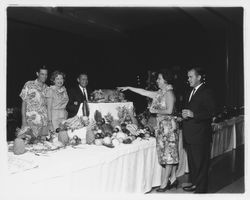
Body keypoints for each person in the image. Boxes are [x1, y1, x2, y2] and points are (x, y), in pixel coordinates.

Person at [118, 69, 179, 192]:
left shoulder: (169, 93)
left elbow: (170, 110)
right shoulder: (160, 93)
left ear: (165, 80)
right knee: (166, 154)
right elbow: (144, 92)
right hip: (162, 126)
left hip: (168, 127)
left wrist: (154, 111)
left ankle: (164, 183)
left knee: (168, 156)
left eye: (159, 78)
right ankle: (173, 179)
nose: (157, 80)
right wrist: (129, 87)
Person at [182, 67, 215, 193]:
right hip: (190, 134)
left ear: (199, 77)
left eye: (190, 76)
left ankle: (201, 190)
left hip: (201, 135)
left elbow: (211, 112)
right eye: (188, 77)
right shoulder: (190, 91)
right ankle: (195, 183)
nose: (188, 79)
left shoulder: (206, 91)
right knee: (193, 163)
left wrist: (193, 114)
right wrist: (184, 115)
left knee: (201, 163)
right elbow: (190, 110)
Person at [19, 65, 49, 137]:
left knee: (42, 146)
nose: (44, 76)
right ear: (37, 74)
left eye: (46, 74)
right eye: (42, 74)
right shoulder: (29, 84)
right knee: (27, 144)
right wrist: (24, 121)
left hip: (44, 124)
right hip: (31, 122)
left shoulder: (48, 88)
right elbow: (24, 103)